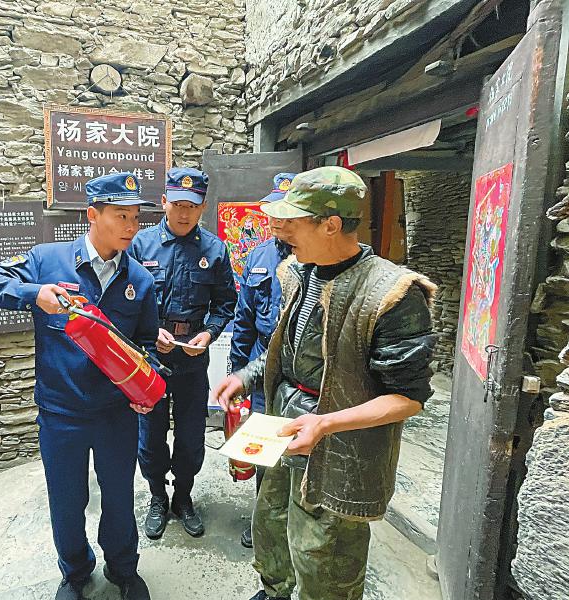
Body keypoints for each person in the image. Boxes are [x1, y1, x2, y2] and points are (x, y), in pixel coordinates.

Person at [213, 167, 436, 600]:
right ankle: (274, 590)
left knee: (325, 552)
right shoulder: (298, 273)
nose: (281, 231)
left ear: (331, 224)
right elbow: (285, 351)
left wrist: (325, 423)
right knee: (272, 523)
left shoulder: (392, 293)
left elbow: (408, 398)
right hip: (283, 427)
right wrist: (246, 375)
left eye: (293, 222)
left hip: (342, 444)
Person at [0, 172, 158, 600]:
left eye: (136, 217)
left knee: (119, 498)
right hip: (61, 415)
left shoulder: (141, 280)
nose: (132, 227)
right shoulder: (47, 260)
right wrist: (34, 293)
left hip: (116, 415)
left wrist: (143, 386)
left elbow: (145, 343)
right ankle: (75, 572)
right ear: (92, 215)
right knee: (66, 500)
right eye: (122, 216)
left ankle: (123, 570)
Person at [129, 167, 237, 539]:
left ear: (203, 206)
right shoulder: (140, 246)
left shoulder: (215, 250)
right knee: (150, 435)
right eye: (177, 204)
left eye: (191, 206)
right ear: (164, 202)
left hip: (192, 360)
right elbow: (127, 302)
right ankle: (157, 497)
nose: (184, 213)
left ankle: (184, 497)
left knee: (191, 436)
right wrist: (148, 332)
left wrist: (208, 333)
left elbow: (225, 304)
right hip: (151, 360)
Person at [229, 173, 297, 549]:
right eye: (273, 211)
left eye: (285, 212)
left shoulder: (316, 257)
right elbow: (243, 322)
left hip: (300, 375)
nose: (276, 220)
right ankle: (264, 521)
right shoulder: (257, 256)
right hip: (260, 369)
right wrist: (237, 373)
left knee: (297, 451)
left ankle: (293, 525)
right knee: (263, 450)